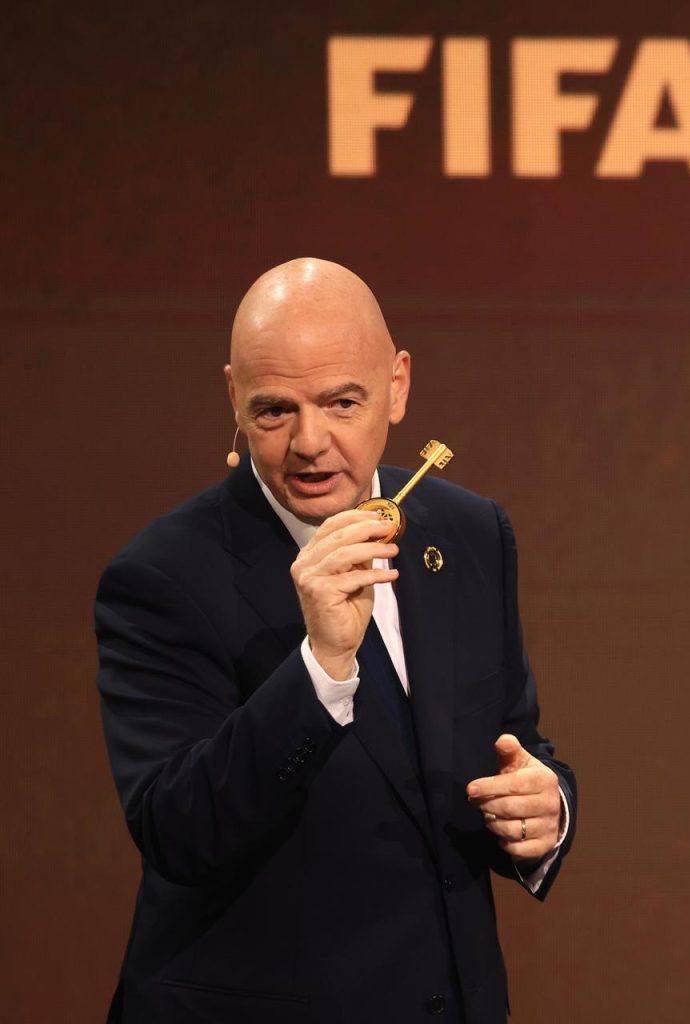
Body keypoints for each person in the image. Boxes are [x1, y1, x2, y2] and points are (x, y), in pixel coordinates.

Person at [95, 258, 576, 1023]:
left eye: (341, 402)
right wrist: (320, 666)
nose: (309, 443)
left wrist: (545, 811)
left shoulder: (470, 532)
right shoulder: (162, 577)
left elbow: (512, 744)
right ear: (233, 398)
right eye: (274, 410)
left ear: (398, 385)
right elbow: (178, 831)